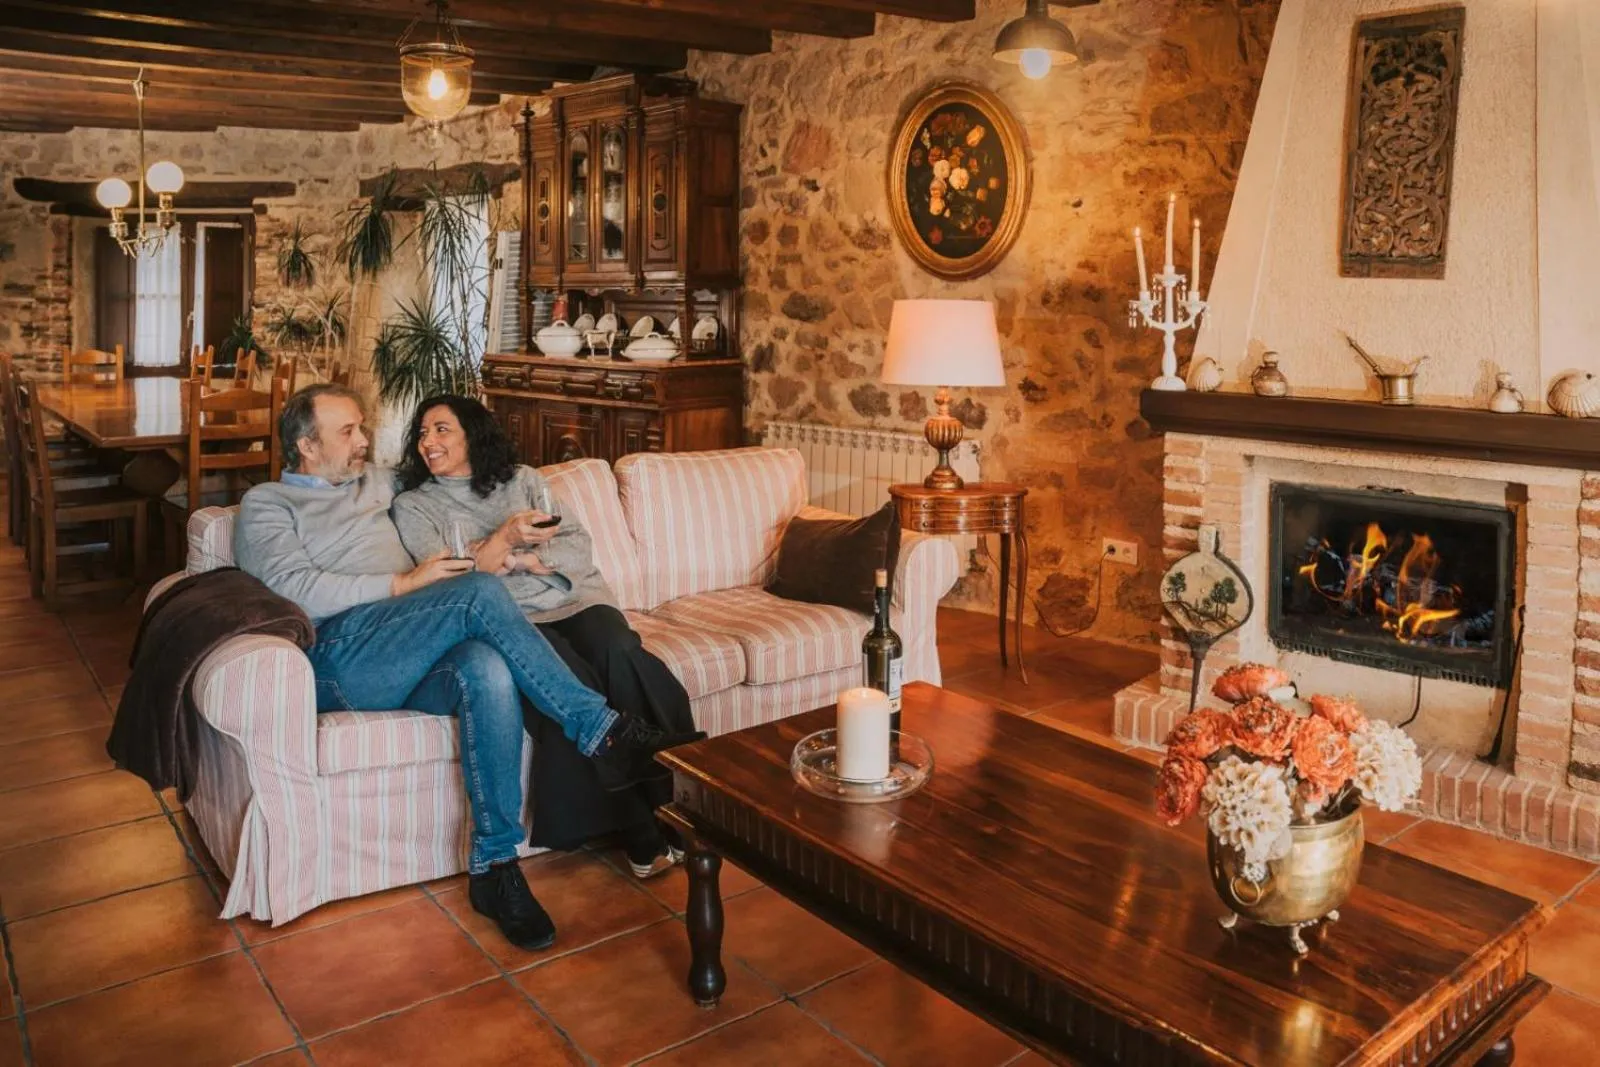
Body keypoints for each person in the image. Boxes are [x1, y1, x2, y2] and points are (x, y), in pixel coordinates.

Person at [233, 383, 700, 951]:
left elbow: (457, 468)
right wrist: (404, 582)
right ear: (307, 446)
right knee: (476, 590)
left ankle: (495, 867)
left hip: (412, 642)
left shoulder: (377, 482)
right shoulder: (267, 504)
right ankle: (601, 728)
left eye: (362, 427)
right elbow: (293, 589)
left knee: (487, 667)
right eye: (348, 432)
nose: (364, 441)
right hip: (342, 655)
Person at [391, 395, 695, 879]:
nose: (428, 441)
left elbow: (575, 544)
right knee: (575, 685)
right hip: (514, 622)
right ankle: (641, 828)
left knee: (622, 654)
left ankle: (677, 805)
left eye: (442, 429)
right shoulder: (414, 505)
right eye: (422, 433)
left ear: (473, 433)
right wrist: (510, 544)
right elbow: (454, 578)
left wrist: (508, 561)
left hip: (576, 600)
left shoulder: (525, 480)